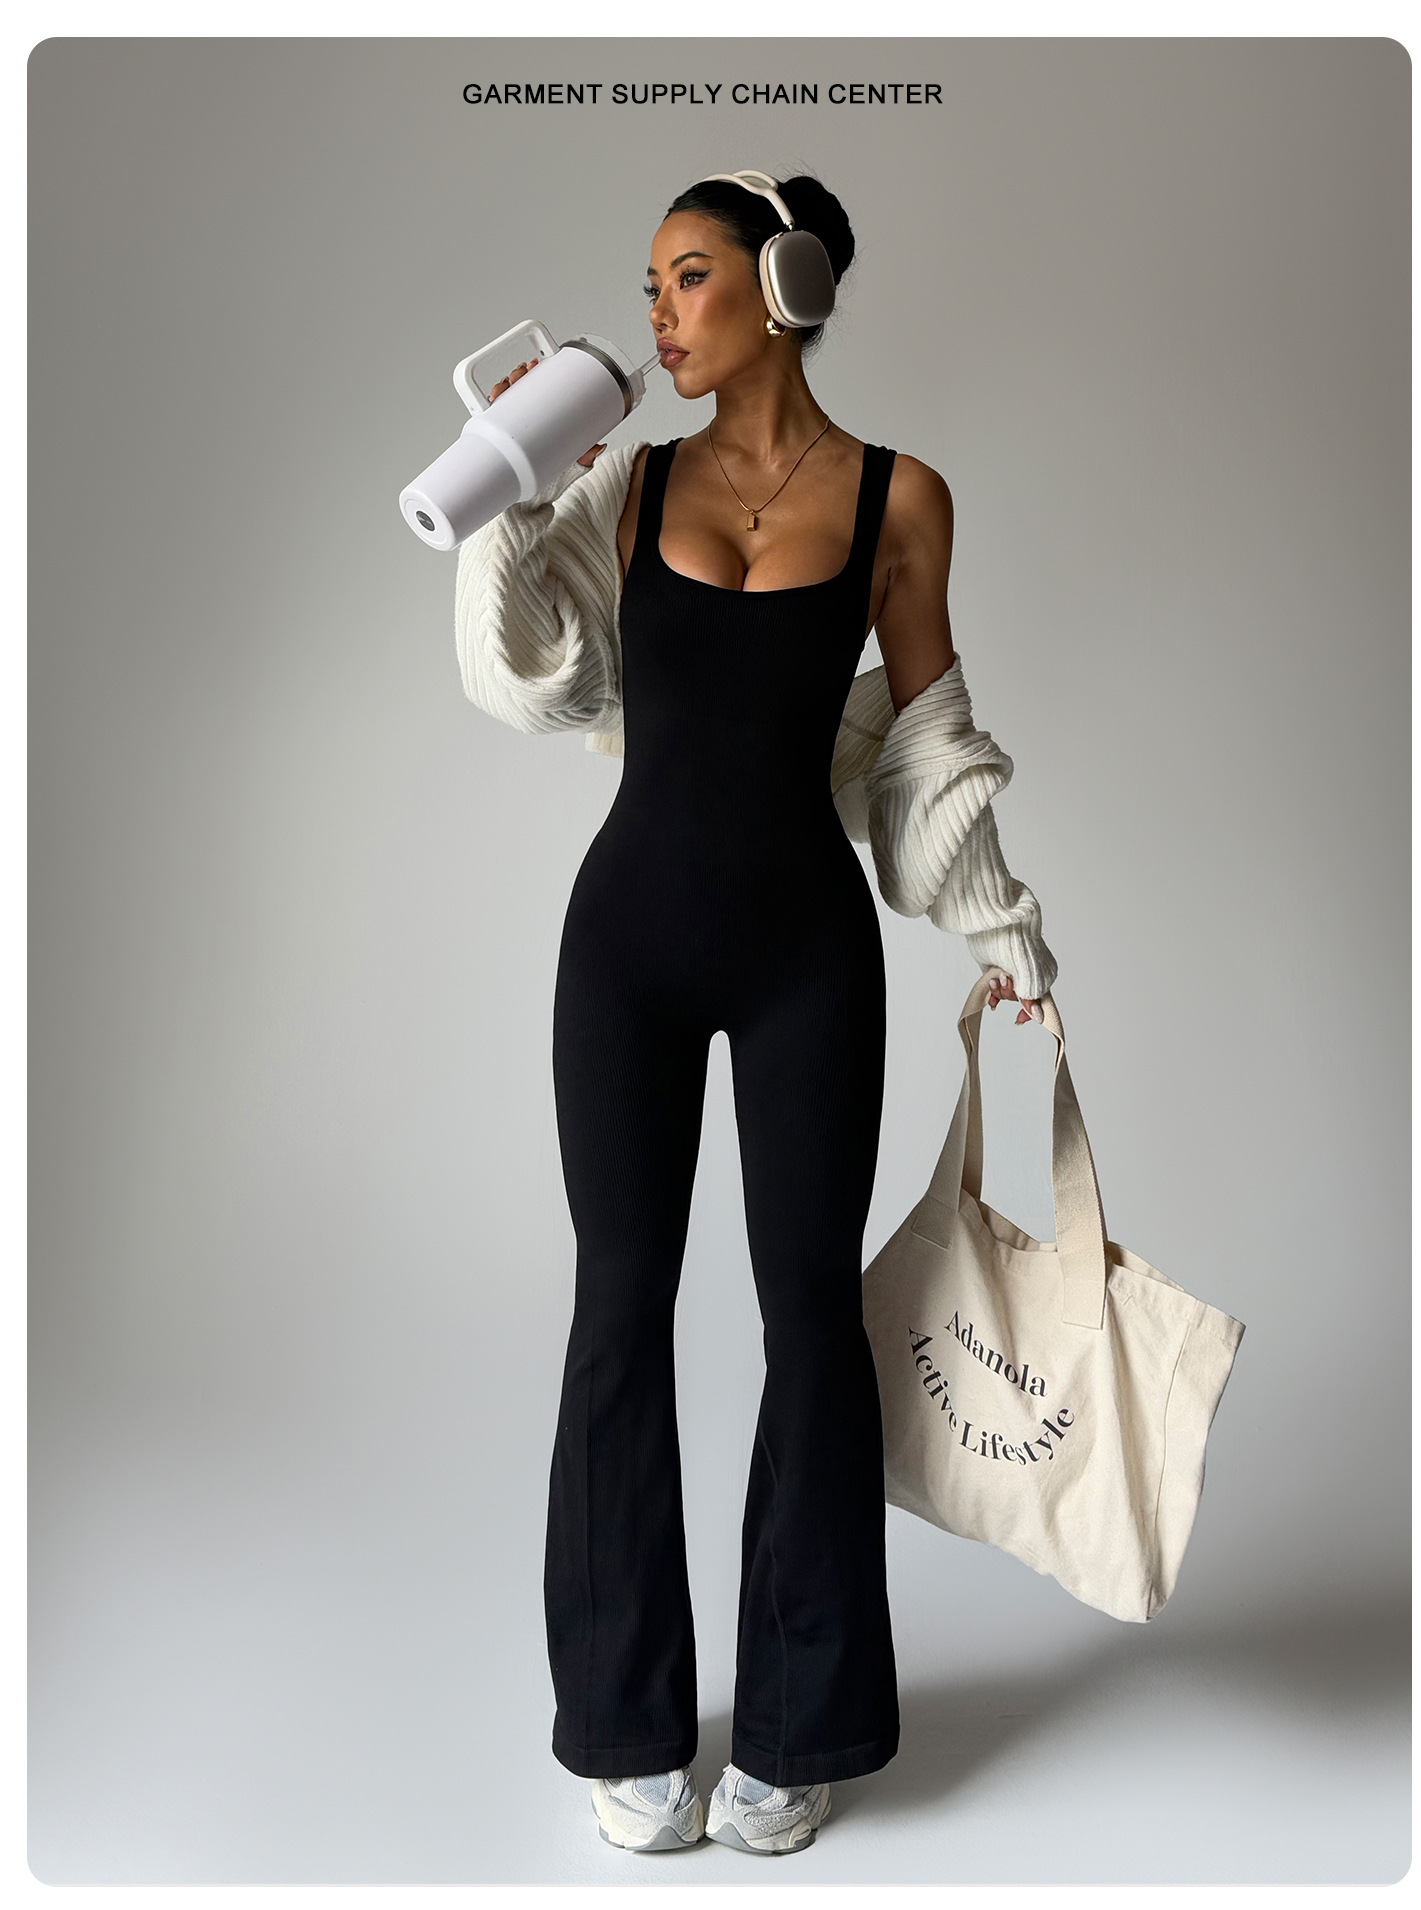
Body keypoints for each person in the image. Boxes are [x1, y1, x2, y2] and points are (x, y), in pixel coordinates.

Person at [455, 172, 1058, 1857]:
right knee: (616, 1312)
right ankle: (625, 1718)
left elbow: (928, 735)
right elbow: (525, 673)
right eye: (650, 283)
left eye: (691, 277)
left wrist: (1002, 924)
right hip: (626, 952)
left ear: (785, 284)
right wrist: (515, 486)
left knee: (811, 1321)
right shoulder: (630, 479)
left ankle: (800, 1724)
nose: (658, 313)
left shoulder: (900, 497)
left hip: (808, 955)